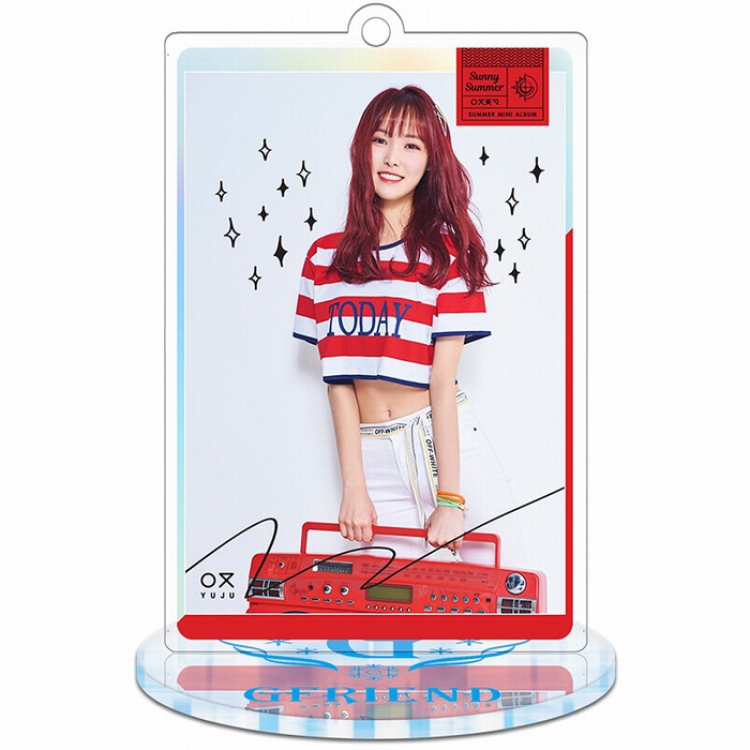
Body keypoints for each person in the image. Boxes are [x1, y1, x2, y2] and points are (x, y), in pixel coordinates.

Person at [293, 86, 524, 567]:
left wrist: (450, 498)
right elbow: (337, 380)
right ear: (362, 148)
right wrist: (354, 487)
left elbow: (442, 381)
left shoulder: (445, 255)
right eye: (381, 140)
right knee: (391, 605)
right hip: (371, 456)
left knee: (507, 591)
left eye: (411, 145)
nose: (392, 158)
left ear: (430, 161)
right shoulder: (324, 258)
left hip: (445, 450)